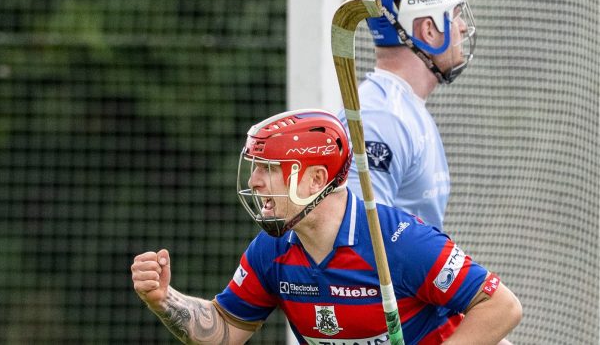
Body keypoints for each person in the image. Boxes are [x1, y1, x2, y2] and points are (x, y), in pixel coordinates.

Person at [132, 109, 522, 344]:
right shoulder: (274, 249)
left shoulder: (399, 242)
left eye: (269, 170)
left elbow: (501, 307)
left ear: (316, 180)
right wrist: (164, 299)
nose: (254, 182)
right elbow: (225, 327)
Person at [337, 0, 477, 231]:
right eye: (454, 15)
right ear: (429, 31)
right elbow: (361, 238)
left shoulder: (404, 108)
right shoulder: (381, 117)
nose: (463, 27)